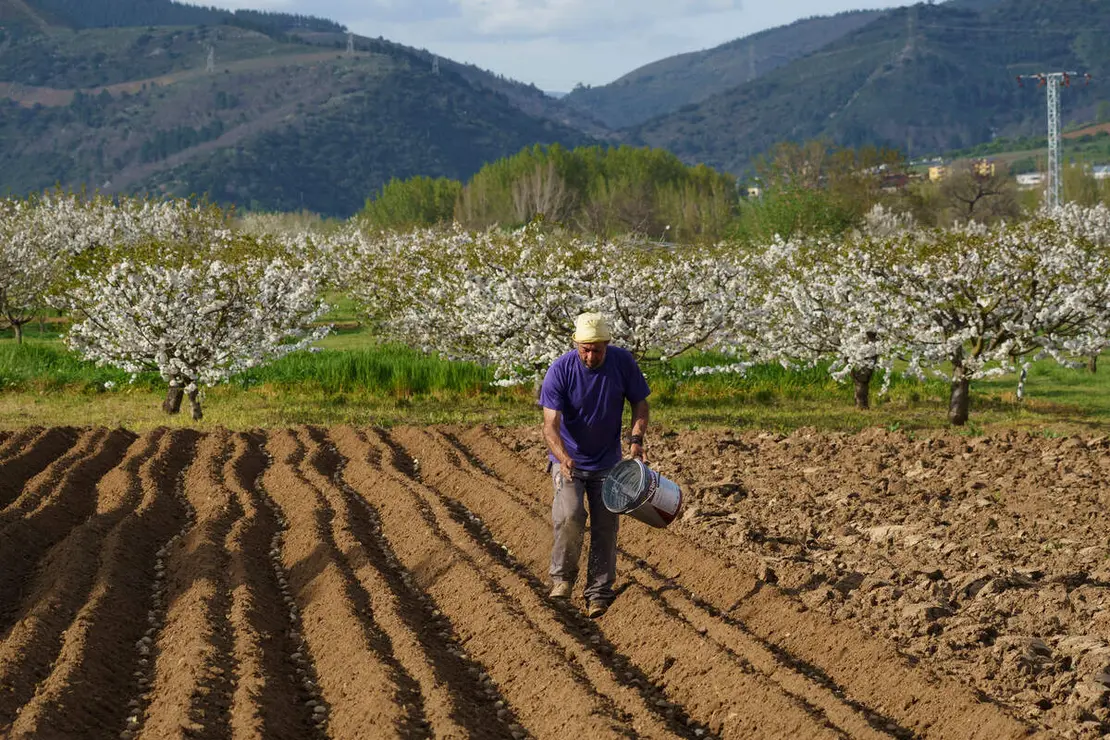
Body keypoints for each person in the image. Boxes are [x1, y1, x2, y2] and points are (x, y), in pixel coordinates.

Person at [538, 312, 650, 618]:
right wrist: (563, 457)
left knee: (606, 526)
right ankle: (562, 579)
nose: (591, 356)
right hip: (569, 461)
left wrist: (636, 440)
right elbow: (550, 425)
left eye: (597, 350)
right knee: (570, 515)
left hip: (607, 461)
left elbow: (640, 403)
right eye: (585, 349)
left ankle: (599, 593)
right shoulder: (560, 370)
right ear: (576, 344)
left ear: (607, 345)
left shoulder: (622, 363)